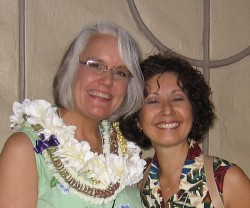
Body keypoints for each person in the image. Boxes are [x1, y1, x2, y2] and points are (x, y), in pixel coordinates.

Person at [0, 21, 146, 208]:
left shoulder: (124, 152)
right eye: (96, 65)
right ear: (71, 69)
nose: (108, 81)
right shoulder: (24, 149)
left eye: (120, 72)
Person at [120, 53, 250, 207]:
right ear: (137, 118)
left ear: (194, 110)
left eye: (177, 99)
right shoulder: (135, 181)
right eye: (153, 101)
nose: (167, 110)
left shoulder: (226, 180)